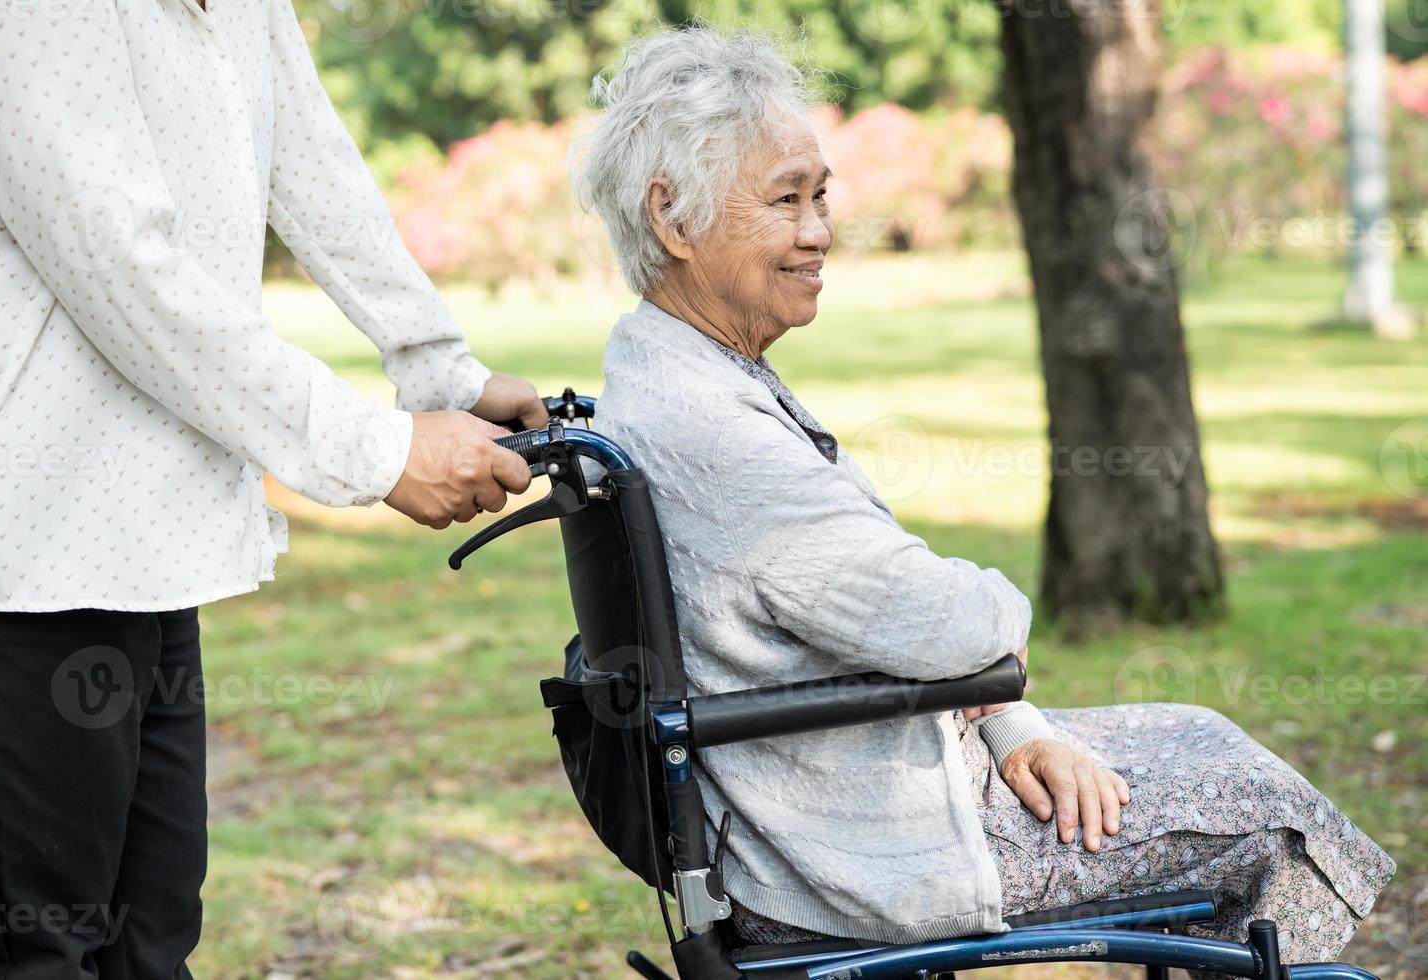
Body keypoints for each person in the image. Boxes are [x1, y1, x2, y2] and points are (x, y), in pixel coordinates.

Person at [570, 26, 1397, 966]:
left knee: (1202, 736)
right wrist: (1001, 619)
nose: (817, 231)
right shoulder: (712, 431)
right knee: (1270, 816)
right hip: (862, 852)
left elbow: (867, 616)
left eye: (820, 195)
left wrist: (1014, 726)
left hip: (845, 792)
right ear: (674, 220)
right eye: (785, 201)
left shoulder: (671, 370)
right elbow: (940, 622)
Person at [0, 1, 546, 975]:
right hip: (26, 549)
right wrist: (378, 451)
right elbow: (124, 270)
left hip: (150, 544)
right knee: (31, 951)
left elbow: (313, 165)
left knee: (150, 945)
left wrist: (439, 368)